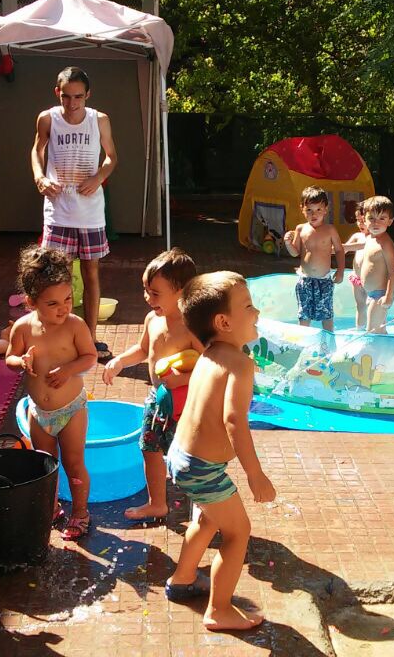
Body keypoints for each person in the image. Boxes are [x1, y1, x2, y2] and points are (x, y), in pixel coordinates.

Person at [164, 272, 275, 632]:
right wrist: (255, 474)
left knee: (208, 518)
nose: (257, 312)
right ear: (224, 322)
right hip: (202, 468)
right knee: (238, 532)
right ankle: (219, 609)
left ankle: (183, 579)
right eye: (248, 306)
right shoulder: (240, 364)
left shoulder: (209, 355)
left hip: (181, 456)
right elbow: (234, 421)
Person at [5, 245, 99, 540]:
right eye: (53, 303)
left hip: (71, 410)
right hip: (38, 411)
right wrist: (21, 361)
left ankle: (80, 513)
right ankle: (52, 507)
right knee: (45, 464)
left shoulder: (75, 326)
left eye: (68, 299)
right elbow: (9, 358)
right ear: (31, 302)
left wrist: (69, 369)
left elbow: (90, 357)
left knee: (73, 463)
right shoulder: (23, 328)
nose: (64, 308)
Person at [101, 248, 202, 521]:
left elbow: (210, 366)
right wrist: (120, 361)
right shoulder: (152, 319)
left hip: (188, 404)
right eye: (146, 290)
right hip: (157, 399)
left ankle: (204, 505)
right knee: (149, 449)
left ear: (181, 292)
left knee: (193, 456)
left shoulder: (192, 326)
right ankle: (157, 503)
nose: (148, 298)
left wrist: (182, 379)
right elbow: (144, 349)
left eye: (155, 293)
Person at [30, 66, 118, 361]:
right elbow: (37, 150)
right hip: (59, 210)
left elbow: (111, 157)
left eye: (78, 96)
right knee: (57, 277)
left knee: (91, 272)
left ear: (87, 95)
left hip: (90, 211)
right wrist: (39, 177)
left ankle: (89, 339)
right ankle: (60, 338)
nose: (72, 103)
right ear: (58, 93)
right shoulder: (47, 118)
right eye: (66, 96)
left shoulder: (99, 120)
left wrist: (99, 177)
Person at [282, 187, 345, 332]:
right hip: (305, 280)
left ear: (326, 209)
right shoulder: (300, 229)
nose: (313, 214)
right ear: (302, 209)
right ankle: (303, 340)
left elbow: (339, 250)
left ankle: (328, 342)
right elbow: (295, 253)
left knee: (326, 314)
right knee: (304, 314)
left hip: (324, 280)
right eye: (309, 210)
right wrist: (288, 243)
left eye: (318, 209)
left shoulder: (330, 230)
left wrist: (340, 271)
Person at [354, 196, 394, 333]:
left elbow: (392, 272)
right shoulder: (370, 238)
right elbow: (357, 246)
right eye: (371, 218)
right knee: (379, 330)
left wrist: (389, 296)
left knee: (372, 332)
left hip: (380, 295)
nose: (376, 223)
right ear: (364, 219)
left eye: (381, 219)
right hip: (370, 293)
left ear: (390, 221)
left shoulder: (386, 243)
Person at [342, 207, 371, 330]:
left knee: (372, 305)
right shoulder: (357, 236)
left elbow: (359, 246)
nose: (360, 224)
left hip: (371, 280)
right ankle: (359, 328)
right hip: (357, 278)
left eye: (363, 220)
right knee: (360, 305)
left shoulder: (375, 238)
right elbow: (344, 249)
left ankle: (373, 328)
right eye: (358, 220)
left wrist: (343, 247)